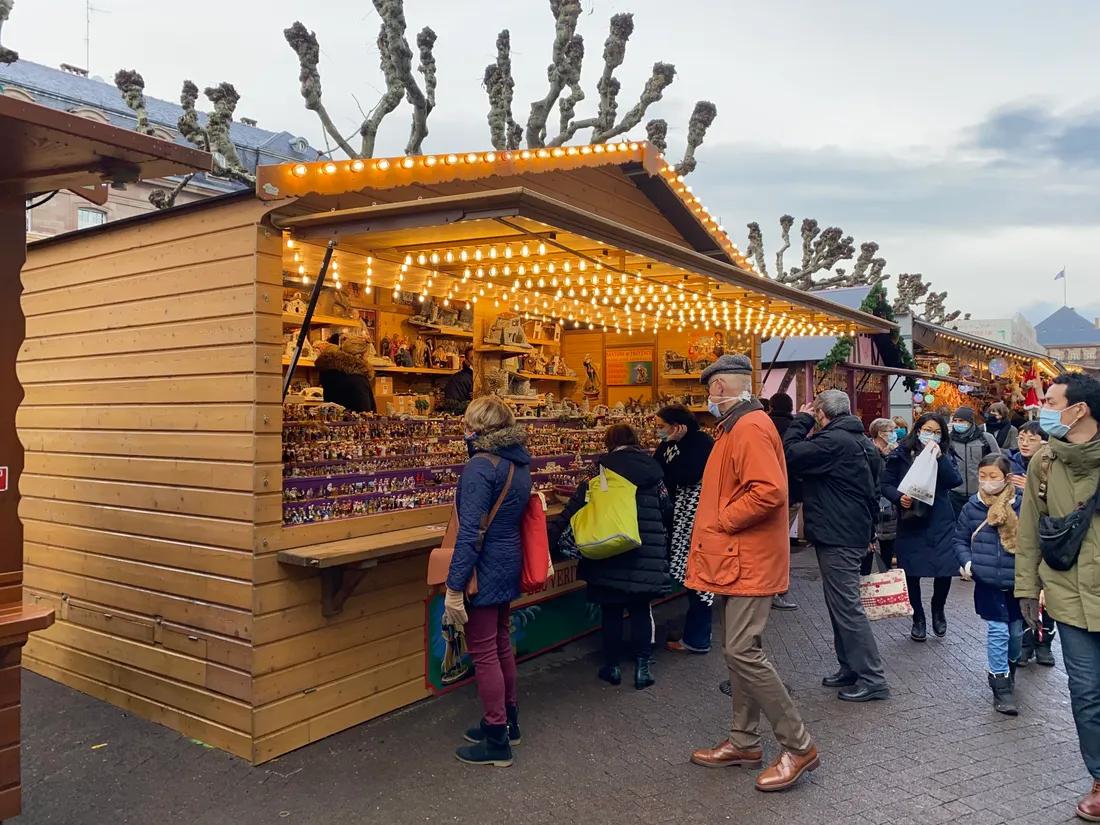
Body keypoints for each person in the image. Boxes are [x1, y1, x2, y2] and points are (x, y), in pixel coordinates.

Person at [686, 355, 819, 792]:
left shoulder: (748, 427)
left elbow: (767, 492)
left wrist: (723, 520)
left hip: (744, 557)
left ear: (720, 387)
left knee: (742, 651)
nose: (708, 397)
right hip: (738, 557)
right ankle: (744, 742)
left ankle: (798, 746)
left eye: (710, 389)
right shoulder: (741, 426)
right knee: (739, 649)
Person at [1015, 372, 1100, 822]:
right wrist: (1027, 587)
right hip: (1068, 595)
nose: (1041, 408)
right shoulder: (1043, 461)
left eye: (1050, 400)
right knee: (1085, 690)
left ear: (1079, 409)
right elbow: (1029, 528)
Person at [443, 397, 533, 767]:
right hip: (508, 559)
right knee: (499, 643)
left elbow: (470, 534)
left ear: (476, 427)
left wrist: (453, 588)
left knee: (482, 651)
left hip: (484, 565)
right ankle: (508, 720)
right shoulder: (518, 463)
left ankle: (497, 738)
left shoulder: (481, 466)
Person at [783, 390, 889, 702]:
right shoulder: (860, 441)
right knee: (840, 605)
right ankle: (851, 667)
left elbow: (791, 453)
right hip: (850, 531)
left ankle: (872, 677)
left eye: (814, 412)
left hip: (838, 534)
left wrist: (800, 419)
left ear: (820, 413)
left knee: (846, 606)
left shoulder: (833, 442)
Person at [548, 424, 671, 690]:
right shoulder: (652, 470)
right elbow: (666, 508)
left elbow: (576, 506)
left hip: (608, 551)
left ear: (609, 442)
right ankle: (642, 669)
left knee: (612, 611)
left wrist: (549, 540)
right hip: (643, 552)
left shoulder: (600, 470)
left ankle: (612, 667)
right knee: (640, 610)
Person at [880, 413, 964, 641]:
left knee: (945, 568)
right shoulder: (901, 454)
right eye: (928, 430)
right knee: (912, 570)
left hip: (941, 519)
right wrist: (899, 498)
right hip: (911, 519)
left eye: (937, 432)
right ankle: (918, 619)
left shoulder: (945, 452)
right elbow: (885, 484)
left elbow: (955, 481)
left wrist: (940, 458)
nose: (932, 435)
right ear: (918, 430)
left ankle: (938, 609)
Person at [955, 455, 1024, 715]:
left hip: (1018, 580)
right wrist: (969, 564)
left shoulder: (1023, 504)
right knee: (998, 631)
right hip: (987, 580)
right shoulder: (972, 507)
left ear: (1006, 477)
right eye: (983, 476)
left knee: (1016, 633)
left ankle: (1010, 668)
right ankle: (1001, 686)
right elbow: (960, 539)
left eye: (993, 476)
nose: (987, 482)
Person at [654, 405, 716, 655]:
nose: (658, 431)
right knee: (692, 576)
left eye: (661, 426)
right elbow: (657, 468)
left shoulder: (700, 442)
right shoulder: (675, 443)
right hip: (682, 519)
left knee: (698, 578)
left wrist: (670, 446)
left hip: (694, 520)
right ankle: (694, 630)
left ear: (677, 425)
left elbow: (687, 474)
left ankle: (698, 638)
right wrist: (668, 443)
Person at [1008, 422, 1057, 666]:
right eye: (1022, 438)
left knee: (1047, 591)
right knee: (1025, 590)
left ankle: (1045, 643)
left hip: (1049, 536)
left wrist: (1031, 485)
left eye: (1031, 439)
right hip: (1019, 537)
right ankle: (1026, 644)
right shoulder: (1008, 463)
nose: (1025, 443)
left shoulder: (1053, 464)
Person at [769, 392, 800, 611]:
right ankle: (777, 589)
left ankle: (769, 587)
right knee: (781, 543)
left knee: (769, 542)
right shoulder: (796, 428)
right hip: (791, 491)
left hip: (767, 490)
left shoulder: (763, 425)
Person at [948, 406, 1001, 519]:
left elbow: (998, 462)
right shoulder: (948, 440)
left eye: (961, 421)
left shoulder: (985, 439)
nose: (958, 423)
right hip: (954, 494)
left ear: (970, 422)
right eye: (955, 421)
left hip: (981, 492)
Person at [867, 418, 900, 573]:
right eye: (891, 431)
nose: (895, 434)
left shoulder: (894, 451)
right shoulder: (868, 451)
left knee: (888, 543)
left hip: (889, 505)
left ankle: (886, 577)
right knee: (869, 545)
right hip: (873, 502)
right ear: (880, 433)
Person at [314, 334, 377, 412]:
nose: (368, 360)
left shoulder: (330, 374)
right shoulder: (358, 380)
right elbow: (364, 410)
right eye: (366, 356)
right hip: (355, 422)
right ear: (359, 356)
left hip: (334, 421)